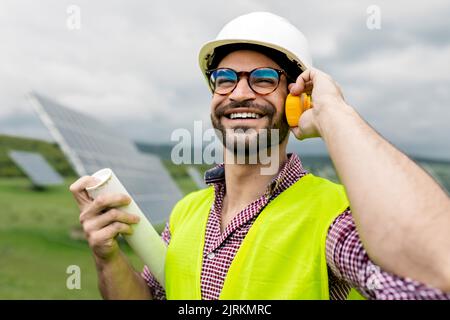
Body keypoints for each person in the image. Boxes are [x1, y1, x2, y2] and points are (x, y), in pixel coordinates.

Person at [69, 12, 450, 300]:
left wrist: (335, 113)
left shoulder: (333, 217)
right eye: (225, 79)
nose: (238, 94)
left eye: (264, 78)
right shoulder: (186, 212)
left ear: (297, 98)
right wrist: (109, 259)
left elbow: (435, 272)